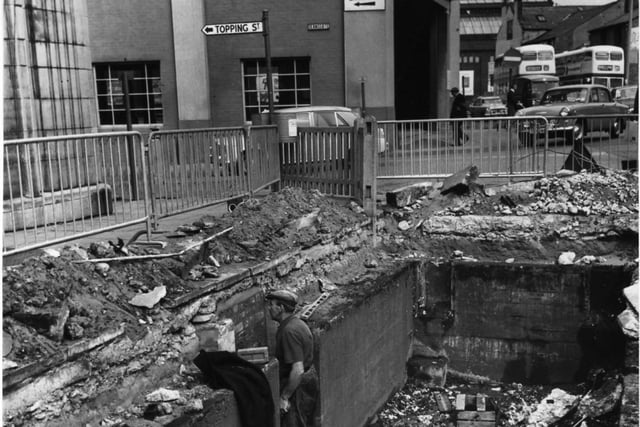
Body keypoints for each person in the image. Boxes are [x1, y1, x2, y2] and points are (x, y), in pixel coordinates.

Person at [266, 289, 318, 427]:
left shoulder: (289, 331)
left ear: (281, 308)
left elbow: (297, 370)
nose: (269, 308)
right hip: (308, 378)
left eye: (272, 305)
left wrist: (284, 397)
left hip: (298, 384)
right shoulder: (297, 323)